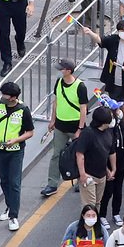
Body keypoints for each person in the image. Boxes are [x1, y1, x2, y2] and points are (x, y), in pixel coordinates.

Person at [43, 58, 91, 197]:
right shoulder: (59, 82)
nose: (59, 71)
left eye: (61, 69)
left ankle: (79, 180)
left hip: (75, 126)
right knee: (56, 154)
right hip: (60, 125)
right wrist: (53, 119)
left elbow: (83, 109)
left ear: (68, 71)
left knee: (78, 154)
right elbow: (56, 101)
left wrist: (80, 129)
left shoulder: (80, 86)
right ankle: (52, 184)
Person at [0, 80, 34, 230]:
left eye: (5, 95)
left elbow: (30, 132)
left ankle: (14, 216)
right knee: (4, 180)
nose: (3, 96)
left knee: (14, 183)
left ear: (13, 97)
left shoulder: (23, 110)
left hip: (15, 151)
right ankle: (9, 206)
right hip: (0, 149)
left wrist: (16, 140)